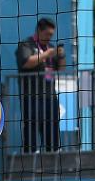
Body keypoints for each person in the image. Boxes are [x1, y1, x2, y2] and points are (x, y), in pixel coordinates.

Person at [15, 17, 65, 153]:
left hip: (50, 96)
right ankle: (30, 156)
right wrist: (46, 54)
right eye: (47, 34)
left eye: (51, 35)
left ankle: (53, 154)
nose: (49, 38)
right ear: (39, 30)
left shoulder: (51, 48)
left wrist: (61, 56)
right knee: (31, 128)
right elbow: (26, 62)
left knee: (52, 129)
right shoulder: (26, 45)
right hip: (31, 96)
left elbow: (60, 69)